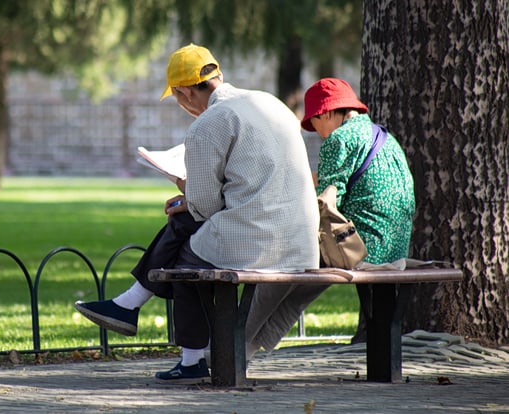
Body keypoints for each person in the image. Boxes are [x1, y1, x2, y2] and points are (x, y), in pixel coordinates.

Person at [75, 44, 321, 383]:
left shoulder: (209, 123)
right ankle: (130, 304)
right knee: (187, 224)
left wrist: (182, 185)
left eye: (176, 97)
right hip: (301, 239)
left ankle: (181, 352)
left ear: (185, 91)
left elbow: (204, 207)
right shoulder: (270, 103)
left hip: (257, 241)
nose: (181, 105)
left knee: (185, 256)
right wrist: (191, 200)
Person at [301, 78, 416, 343]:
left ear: (327, 113)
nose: (317, 132)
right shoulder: (385, 137)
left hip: (361, 250)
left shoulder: (338, 140)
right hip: (395, 248)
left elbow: (327, 203)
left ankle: (240, 342)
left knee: (279, 265)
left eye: (315, 123)